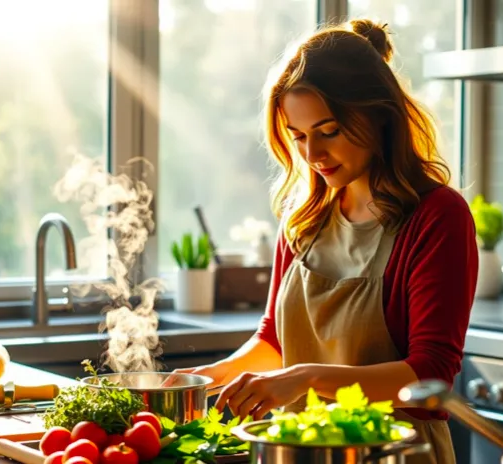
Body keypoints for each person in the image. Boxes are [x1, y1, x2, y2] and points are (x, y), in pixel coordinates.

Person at [172, 18, 478, 464]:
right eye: (298, 137)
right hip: (303, 452)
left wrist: (305, 379)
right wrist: (210, 377)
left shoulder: (436, 216)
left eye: (328, 131)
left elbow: (430, 376)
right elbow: (275, 341)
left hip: (396, 455)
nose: (312, 155)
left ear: (378, 114)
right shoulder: (304, 217)